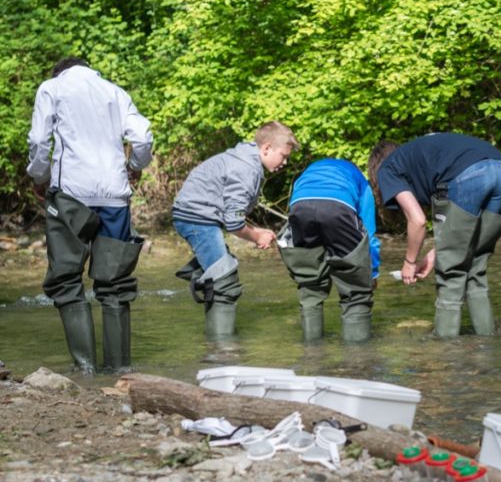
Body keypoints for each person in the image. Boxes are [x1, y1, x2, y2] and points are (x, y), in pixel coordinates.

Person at [26, 57, 153, 374]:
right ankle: (119, 370)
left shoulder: (52, 88)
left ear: (60, 70)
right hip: (114, 195)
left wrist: (39, 176)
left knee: (67, 280)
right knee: (115, 284)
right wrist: (135, 167)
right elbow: (143, 138)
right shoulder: (115, 91)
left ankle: (85, 370)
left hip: (71, 194)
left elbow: (40, 140)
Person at [367, 133, 501, 338]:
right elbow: (462, 238)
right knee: (475, 265)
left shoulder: (387, 169)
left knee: (450, 274)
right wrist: (432, 255)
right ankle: (486, 342)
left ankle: (446, 349)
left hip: (468, 175)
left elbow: (417, 221)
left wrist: (409, 262)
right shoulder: (422, 157)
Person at [171, 121, 298, 339]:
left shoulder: (245, 160)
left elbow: (232, 215)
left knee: (221, 274)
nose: (285, 162)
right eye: (283, 156)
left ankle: (215, 335)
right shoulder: (246, 169)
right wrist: (256, 235)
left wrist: (256, 230)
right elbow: (233, 224)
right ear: (266, 148)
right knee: (224, 281)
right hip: (196, 218)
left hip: (197, 216)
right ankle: (222, 347)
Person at [278, 158, 380, 343]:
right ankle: (359, 359)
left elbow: (297, 203)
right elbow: (369, 235)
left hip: (301, 205)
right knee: (355, 289)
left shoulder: (309, 171)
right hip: (339, 206)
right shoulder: (360, 180)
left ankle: (312, 353)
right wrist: (371, 274)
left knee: (310, 282)